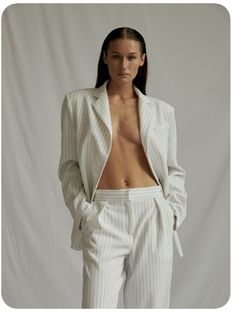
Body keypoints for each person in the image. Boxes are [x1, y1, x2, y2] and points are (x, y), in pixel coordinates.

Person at [58, 26, 187, 308]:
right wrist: (84, 211)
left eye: (131, 57)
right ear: (105, 58)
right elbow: (69, 166)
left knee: (150, 305)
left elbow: (173, 168)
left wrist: (172, 212)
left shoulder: (162, 111)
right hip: (103, 213)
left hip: (151, 212)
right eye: (116, 57)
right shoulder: (78, 103)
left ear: (142, 60)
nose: (124, 65)